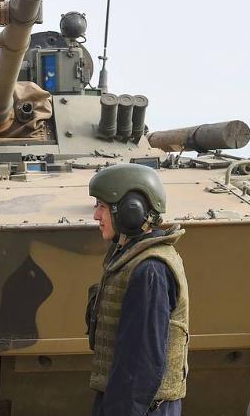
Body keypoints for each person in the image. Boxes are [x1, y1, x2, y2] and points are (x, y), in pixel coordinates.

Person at [86, 163, 189, 416]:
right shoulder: (130, 259)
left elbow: (141, 362)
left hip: (141, 407)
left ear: (131, 210)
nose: (96, 216)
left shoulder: (149, 270)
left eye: (102, 206)